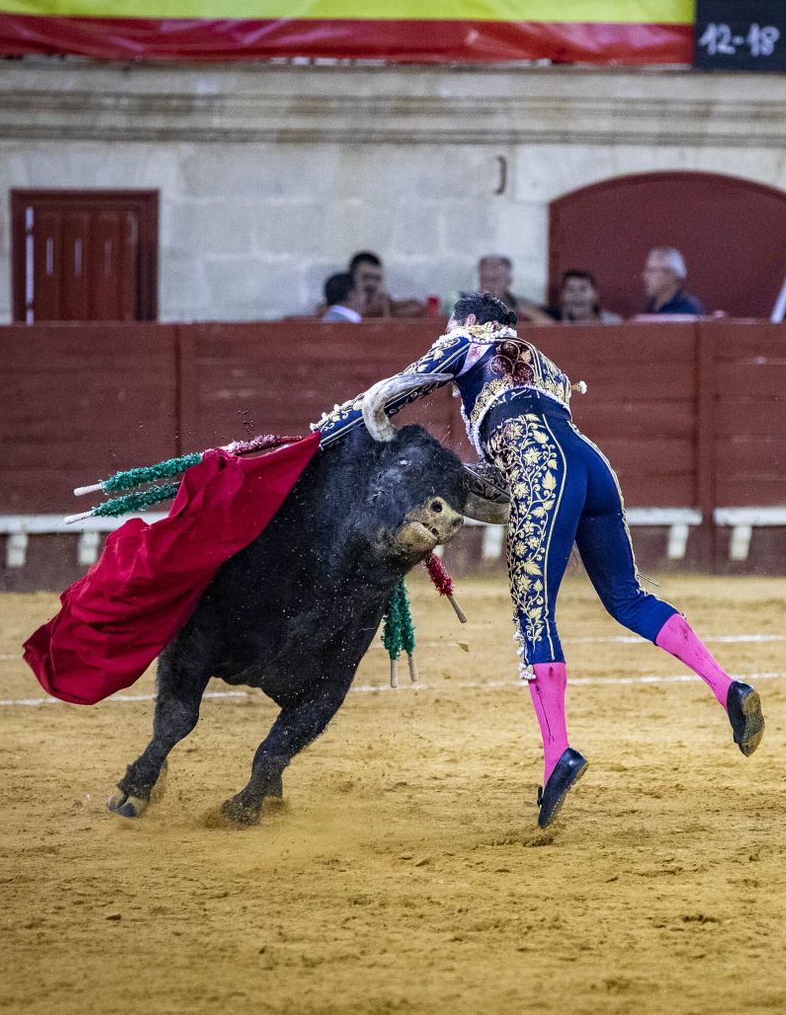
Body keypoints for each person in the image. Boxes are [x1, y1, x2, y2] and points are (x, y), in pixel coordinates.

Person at [311, 292, 763, 828]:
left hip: (541, 467)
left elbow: (399, 389)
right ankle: (727, 686)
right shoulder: (546, 366)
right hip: (592, 467)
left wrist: (324, 436)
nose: (449, 333)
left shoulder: (469, 340)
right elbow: (499, 479)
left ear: (473, 322)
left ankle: (558, 757)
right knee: (627, 597)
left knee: (535, 615)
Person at [477, 254, 552, 324]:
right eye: (486, 280)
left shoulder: (523, 305)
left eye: (495, 280)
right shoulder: (468, 304)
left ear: (508, 281)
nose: (489, 285)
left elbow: (551, 327)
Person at [350, 251, 427, 319]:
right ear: (351, 279)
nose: (371, 283)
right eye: (365, 277)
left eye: (377, 278)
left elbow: (417, 307)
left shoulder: (389, 305)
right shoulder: (343, 306)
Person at [641, 247, 705, 316]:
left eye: (651, 271)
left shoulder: (688, 309)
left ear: (671, 275)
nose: (645, 276)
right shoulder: (651, 306)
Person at [548, 269, 619, 325]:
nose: (576, 294)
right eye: (570, 289)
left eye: (583, 289)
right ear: (562, 296)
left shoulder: (614, 322)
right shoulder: (553, 321)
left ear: (596, 294)